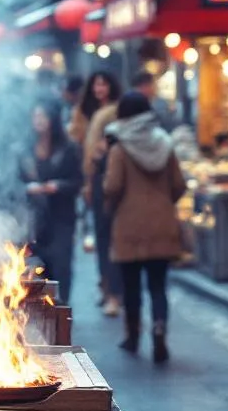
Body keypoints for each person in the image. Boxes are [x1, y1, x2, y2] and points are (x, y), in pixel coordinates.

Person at [103, 91, 186, 363]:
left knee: (131, 286)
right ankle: (159, 325)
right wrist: (163, 202)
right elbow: (178, 185)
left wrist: (111, 203)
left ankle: (133, 335)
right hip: (162, 222)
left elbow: (112, 185)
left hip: (129, 225)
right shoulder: (165, 143)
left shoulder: (119, 148)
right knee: (158, 284)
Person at [21, 98, 82, 303]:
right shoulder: (24, 148)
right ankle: (36, 310)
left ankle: (60, 309)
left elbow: (78, 181)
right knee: (34, 266)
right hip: (32, 218)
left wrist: (58, 186)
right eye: (35, 116)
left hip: (61, 217)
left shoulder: (69, 148)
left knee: (61, 265)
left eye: (43, 116)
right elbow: (13, 182)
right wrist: (28, 189)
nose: (38, 121)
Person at [79, 71, 125, 317]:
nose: (99, 88)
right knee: (101, 236)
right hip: (96, 179)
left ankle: (115, 292)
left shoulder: (114, 113)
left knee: (110, 237)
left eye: (103, 83)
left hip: (110, 178)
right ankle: (107, 287)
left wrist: (99, 153)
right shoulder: (91, 113)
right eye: (95, 83)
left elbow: (112, 144)